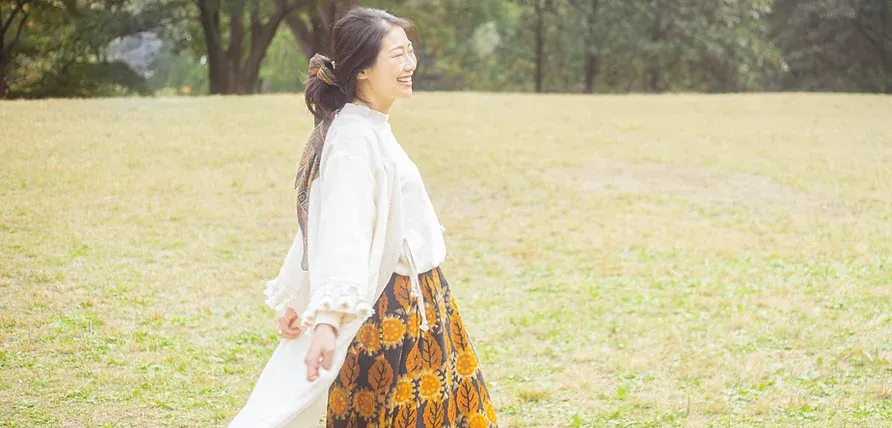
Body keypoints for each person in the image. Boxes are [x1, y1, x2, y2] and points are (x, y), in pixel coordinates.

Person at [268, 6, 498, 428]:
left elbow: (322, 215)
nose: (410, 64)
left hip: (420, 300)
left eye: (409, 51)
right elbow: (341, 228)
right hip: (389, 311)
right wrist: (325, 319)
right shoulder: (353, 139)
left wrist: (300, 297)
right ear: (362, 69)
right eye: (396, 55)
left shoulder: (366, 126)